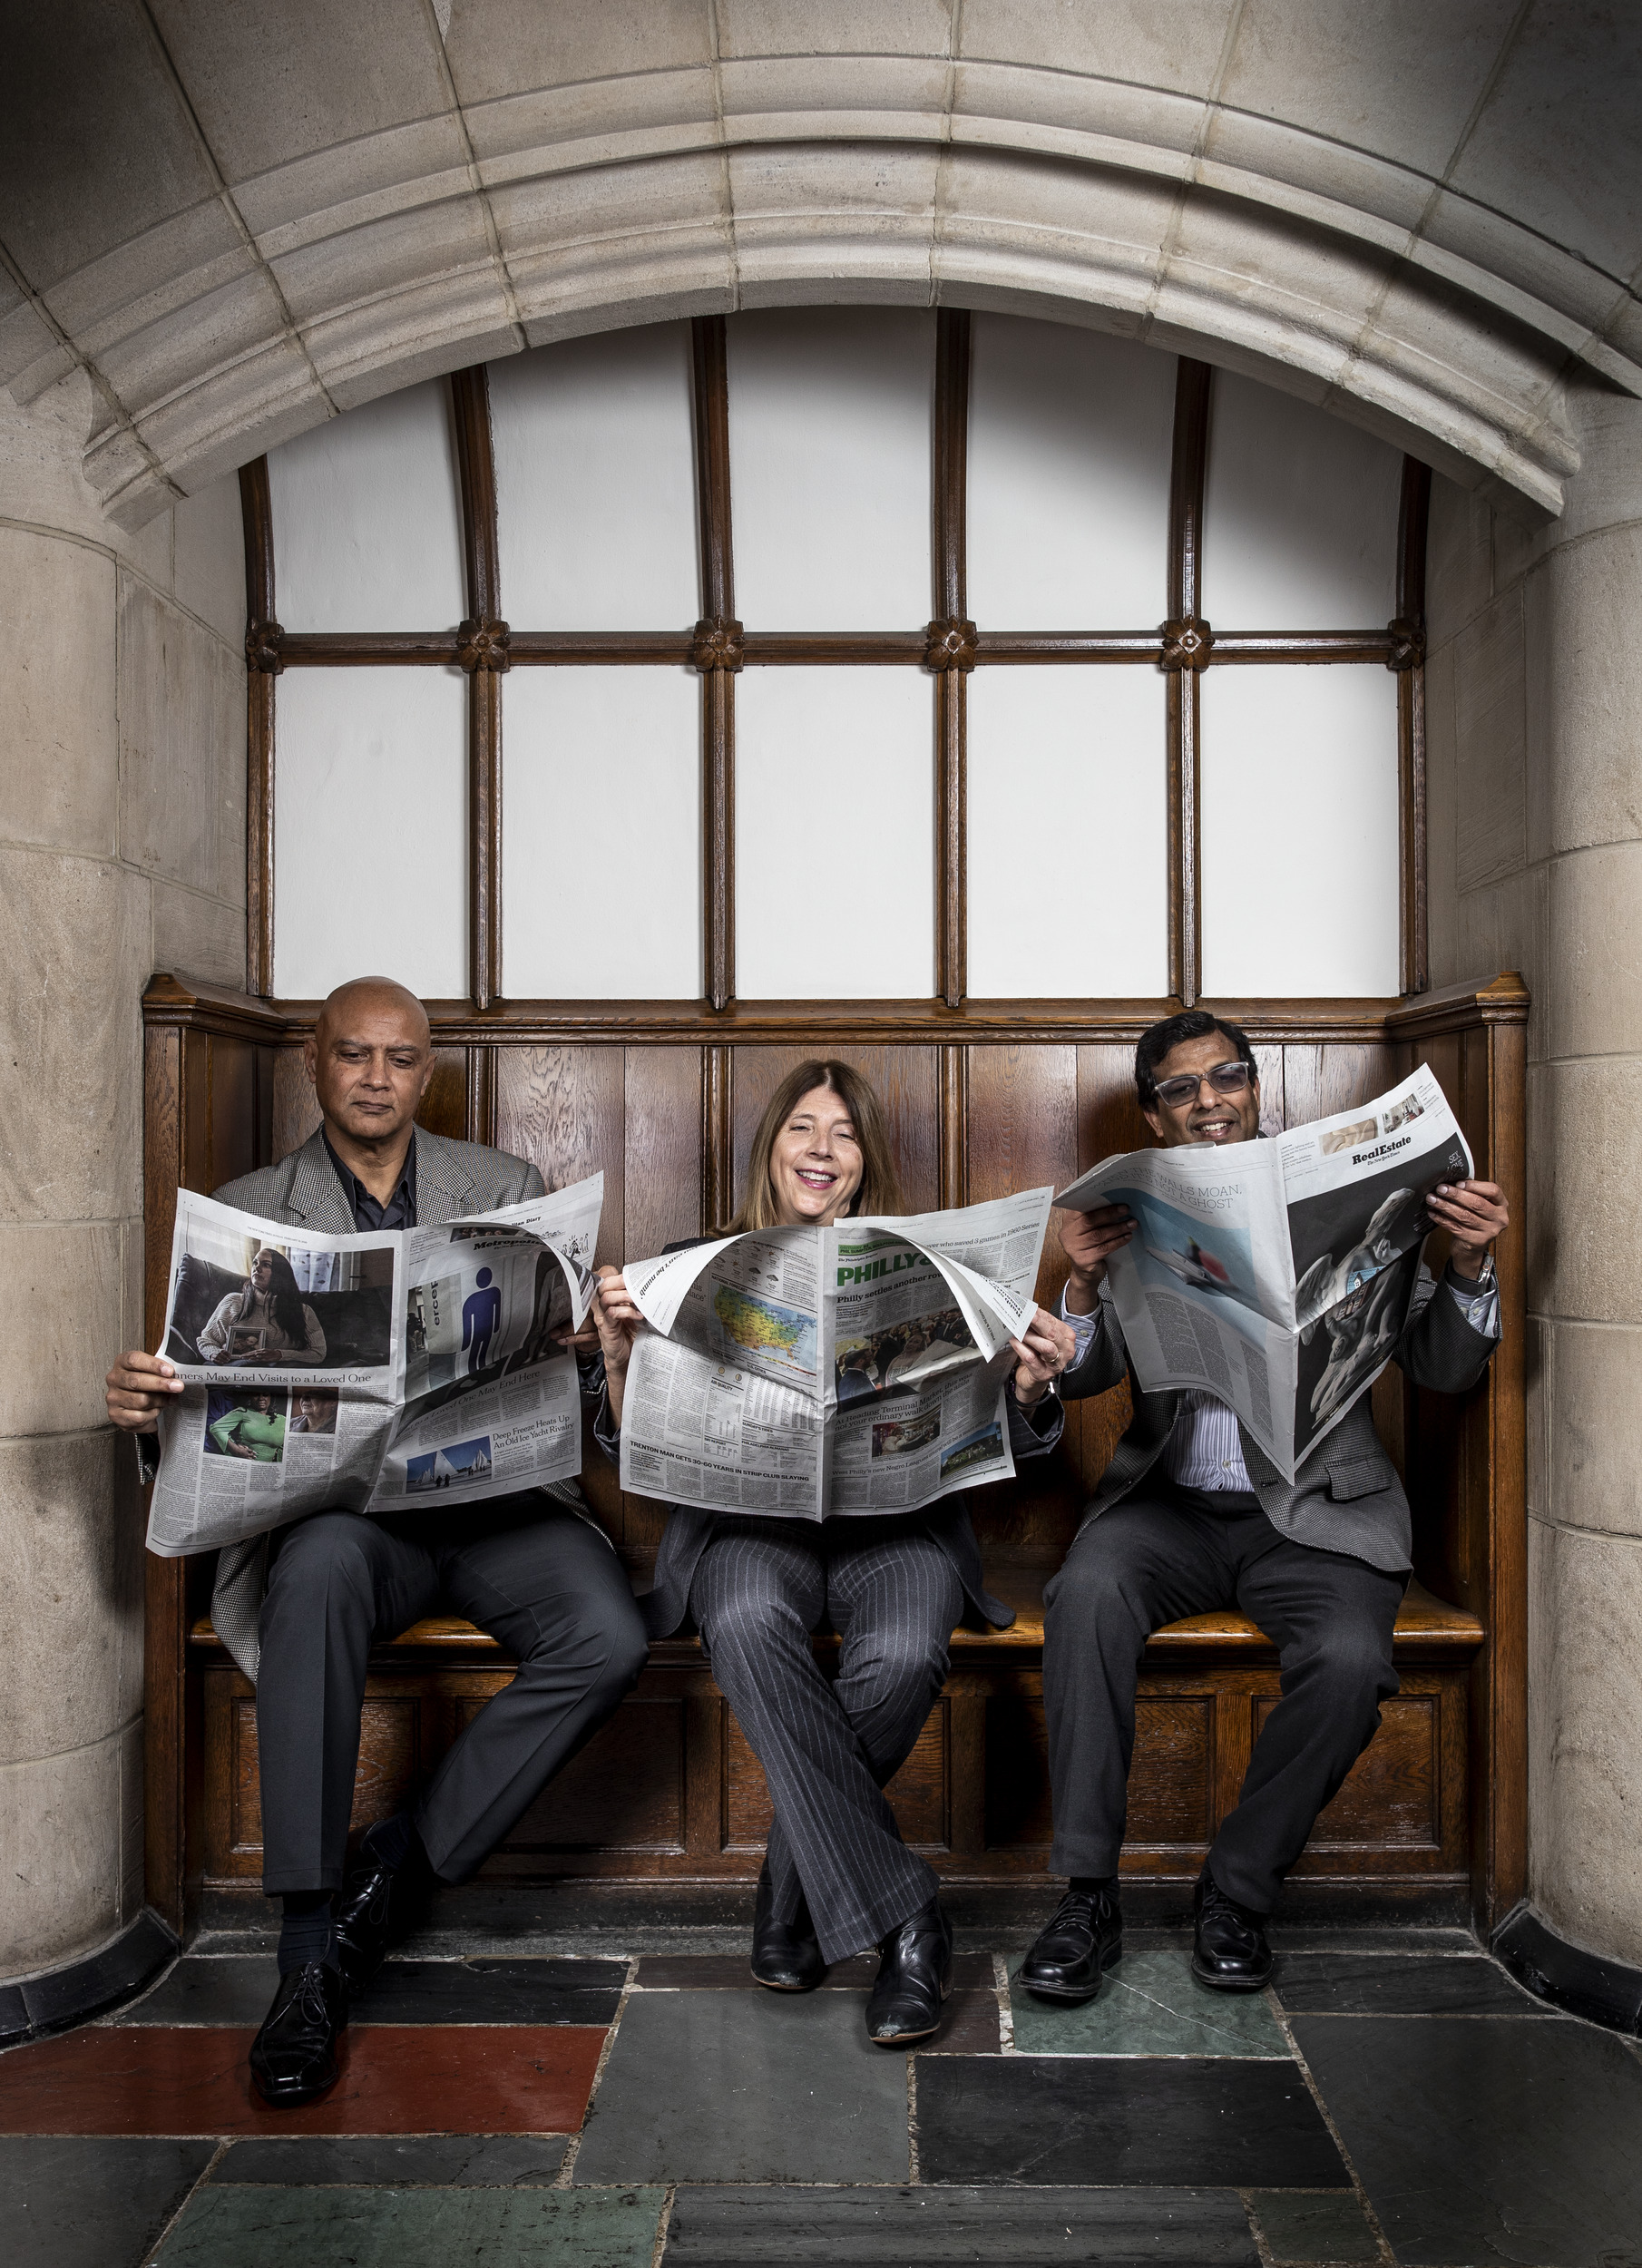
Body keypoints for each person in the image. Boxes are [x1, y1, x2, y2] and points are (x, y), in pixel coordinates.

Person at [105, 977, 647, 2108]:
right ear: (316, 1061)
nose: (376, 1078)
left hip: (496, 1508)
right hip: (349, 1527)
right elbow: (211, 1412)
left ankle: (395, 1868)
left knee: (606, 1634)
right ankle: (309, 1958)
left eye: (399, 1059)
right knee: (311, 1575)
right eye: (354, 1055)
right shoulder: (253, 1210)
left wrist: (593, 1343)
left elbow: (566, 1365)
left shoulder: (502, 1187)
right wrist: (152, 1414)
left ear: (427, 1071)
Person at [1020, 1011, 1509, 2002]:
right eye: (1181, 1089)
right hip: (1169, 1507)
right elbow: (1087, 1375)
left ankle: (1236, 1890)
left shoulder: (1352, 1199)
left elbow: (1446, 1369)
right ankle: (1085, 1896)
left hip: (1321, 1509)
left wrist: (1466, 1267)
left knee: (1351, 1661)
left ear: (1254, 1088)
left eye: (1226, 1078)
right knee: (1085, 1599)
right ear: (1155, 1117)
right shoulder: (1135, 1210)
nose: (1208, 1101)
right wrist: (1080, 1283)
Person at [591, 1060, 1076, 2047]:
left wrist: (1030, 1392)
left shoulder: (927, 1268)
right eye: (803, 1128)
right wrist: (613, 1359)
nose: (821, 1149)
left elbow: (1004, 1430)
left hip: (899, 1530)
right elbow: (625, 1439)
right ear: (770, 1145)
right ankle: (908, 1915)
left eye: (845, 1134)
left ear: (865, 1163)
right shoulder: (691, 1264)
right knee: (740, 1621)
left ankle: (794, 1884)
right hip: (744, 1532)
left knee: (902, 1655)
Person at [196, 1246, 326, 1365]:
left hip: (275, 1380)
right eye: (255, 1263)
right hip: (232, 1373)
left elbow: (318, 1353)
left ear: (280, 1274)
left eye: (266, 1265)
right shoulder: (232, 1301)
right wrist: (214, 1353)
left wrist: (280, 1355)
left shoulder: (303, 1311)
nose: (257, 1268)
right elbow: (206, 1340)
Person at [209, 1390, 286, 1461]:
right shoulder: (243, 1412)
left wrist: (277, 1455)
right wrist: (236, 1450)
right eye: (256, 1395)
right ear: (250, 1397)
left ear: (271, 1398)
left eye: (265, 1395)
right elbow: (216, 1428)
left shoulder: (282, 1419)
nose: (261, 1398)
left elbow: (285, 1445)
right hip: (242, 1463)